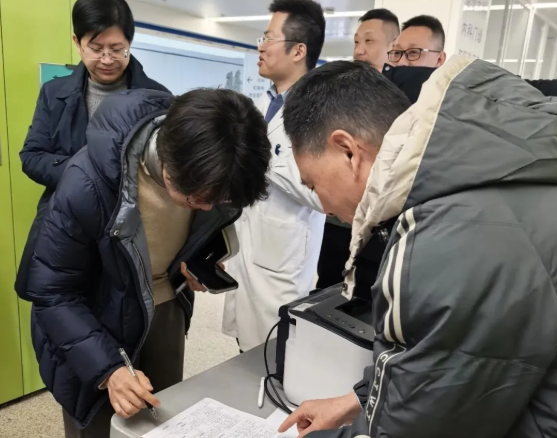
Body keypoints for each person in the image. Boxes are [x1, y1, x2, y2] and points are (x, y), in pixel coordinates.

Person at [278, 59, 557, 438]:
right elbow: (451, 366)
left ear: (348, 151)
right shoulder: (496, 173)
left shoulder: (441, 236)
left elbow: (416, 428)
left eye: (313, 184)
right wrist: (358, 399)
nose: (324, 206)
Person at [24, 87, 271, 438]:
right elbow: (53, 292)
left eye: (218, 201)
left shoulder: (209, 172)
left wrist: (192, 259)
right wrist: (109, 369)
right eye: (197, 199)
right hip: (93, 318)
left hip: (165, 305)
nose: (205, 207)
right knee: (100, 422)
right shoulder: (88, 182)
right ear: (168, 164)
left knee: (163, 418)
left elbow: (187, 228)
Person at [16, 0, 168, 296]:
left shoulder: (157, 98)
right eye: (96, 49)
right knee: (60, 302)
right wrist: (86, 175)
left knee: (122, 304)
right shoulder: (53, 93)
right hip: (66, 223)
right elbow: (32, 157)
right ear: (77, 42)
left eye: (117, 48)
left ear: (130, 42)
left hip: (131, 227)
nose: (107, 59)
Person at [223, 0, 327, 352]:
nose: (261, 47)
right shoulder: (267, 104)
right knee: (245, 348)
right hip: (250, 248)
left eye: (269, 38)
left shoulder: (319, 113)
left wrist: (261, 160)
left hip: (283, 260)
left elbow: (321, 193)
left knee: (275, 354)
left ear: (298, 51)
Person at [315, 8, 400, 291]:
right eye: (356, 42)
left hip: (376, 227)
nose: (359, 50)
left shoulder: (403, 105)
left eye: (369, 41)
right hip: (336, 222)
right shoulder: (340, 94)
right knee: (327, 288)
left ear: (393, 47)